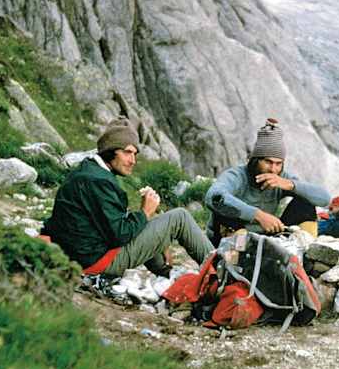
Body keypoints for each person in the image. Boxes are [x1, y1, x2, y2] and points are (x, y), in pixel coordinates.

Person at [42, 119, 212, 277]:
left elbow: (108, 222)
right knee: (179, 217)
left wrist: (155, 234)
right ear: (110, 152)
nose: (133, 161)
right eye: (127, 152)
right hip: (95, 262)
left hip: (78, 255)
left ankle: (167, 274)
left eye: (135, 154)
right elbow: (121, 236)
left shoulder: (87, 171)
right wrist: (145, 213)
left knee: (143, 222)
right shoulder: (100, 182)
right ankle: (222, 270)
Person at [204, 118, 331, 245]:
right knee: (226, 210)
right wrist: (258, 215)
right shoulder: (237, 175)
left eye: (278, 164)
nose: (273, 169)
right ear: (255, 160)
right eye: (268, 162)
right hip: (228, 240)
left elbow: (324, 199)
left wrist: (290, 185)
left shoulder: (282, 178)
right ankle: (235, 259)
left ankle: (303, 256)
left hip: (265, 239)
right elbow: (214, 197)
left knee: (305, 205)